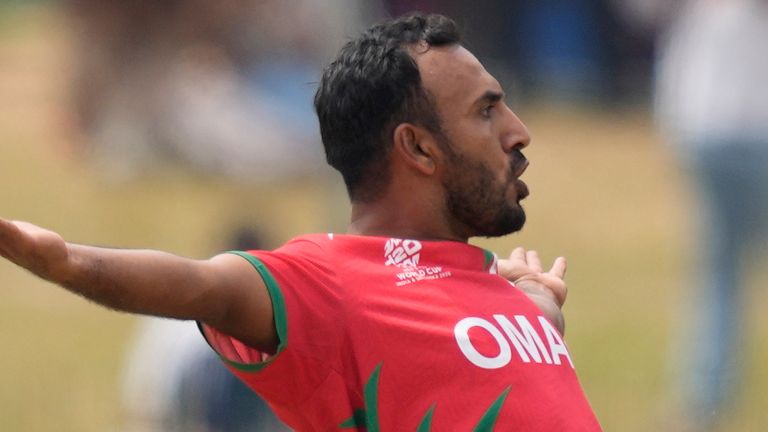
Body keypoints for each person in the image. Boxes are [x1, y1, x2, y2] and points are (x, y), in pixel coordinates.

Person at [0, 13, 601, 430]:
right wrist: (65, 262)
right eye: (487, 111)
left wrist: (536, 308)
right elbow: (201, 286)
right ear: (418, 148)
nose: (518, 132)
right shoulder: (335, 280)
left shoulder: (500, 289)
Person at [654, 0, 768, 429]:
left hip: (711, 124)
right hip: (721, 125)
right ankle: (705, 396)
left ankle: (705, 397)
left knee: (720, 271)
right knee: (720, 269)